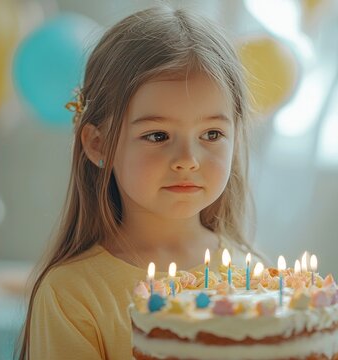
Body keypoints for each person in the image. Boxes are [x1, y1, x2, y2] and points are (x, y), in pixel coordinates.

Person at [17, 5, 262, 359]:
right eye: (158, 135)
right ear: (98, 144)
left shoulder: (257, 278)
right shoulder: (72, 295)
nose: (187, 160)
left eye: (211, 133)